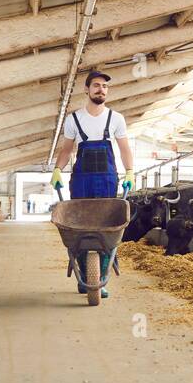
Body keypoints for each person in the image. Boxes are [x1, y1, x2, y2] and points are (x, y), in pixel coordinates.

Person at [54, 69, 135, 297]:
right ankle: (83, 273)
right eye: (97, 85)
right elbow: (67, 149)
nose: (102, 89)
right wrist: (57, 170)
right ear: (87, 89)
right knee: (79, 227)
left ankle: (100, 277)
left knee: (106, 224)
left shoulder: (116, 118)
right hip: (81, 180)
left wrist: (130, 172)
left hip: (107, 179)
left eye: (105, 87)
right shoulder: (74, 119)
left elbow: (124, 148)